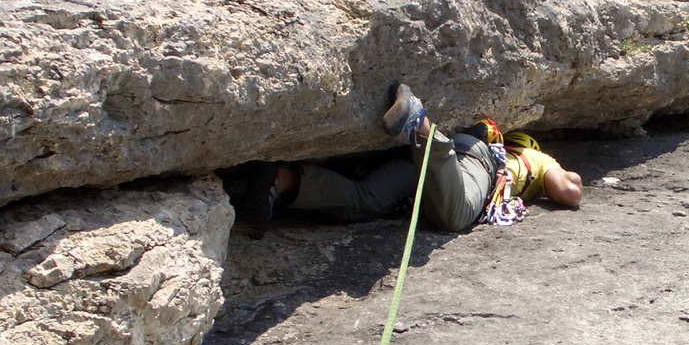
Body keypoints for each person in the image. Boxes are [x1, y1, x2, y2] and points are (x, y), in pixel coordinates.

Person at [227, 84, 583, 233]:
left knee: (367, 201)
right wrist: (560, 169)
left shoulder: (525, 157)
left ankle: (280, 180)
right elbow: (568, 192)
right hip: (474, 161)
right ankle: (420, 124)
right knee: (456, 216)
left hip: (431, 172)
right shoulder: (530, 159)